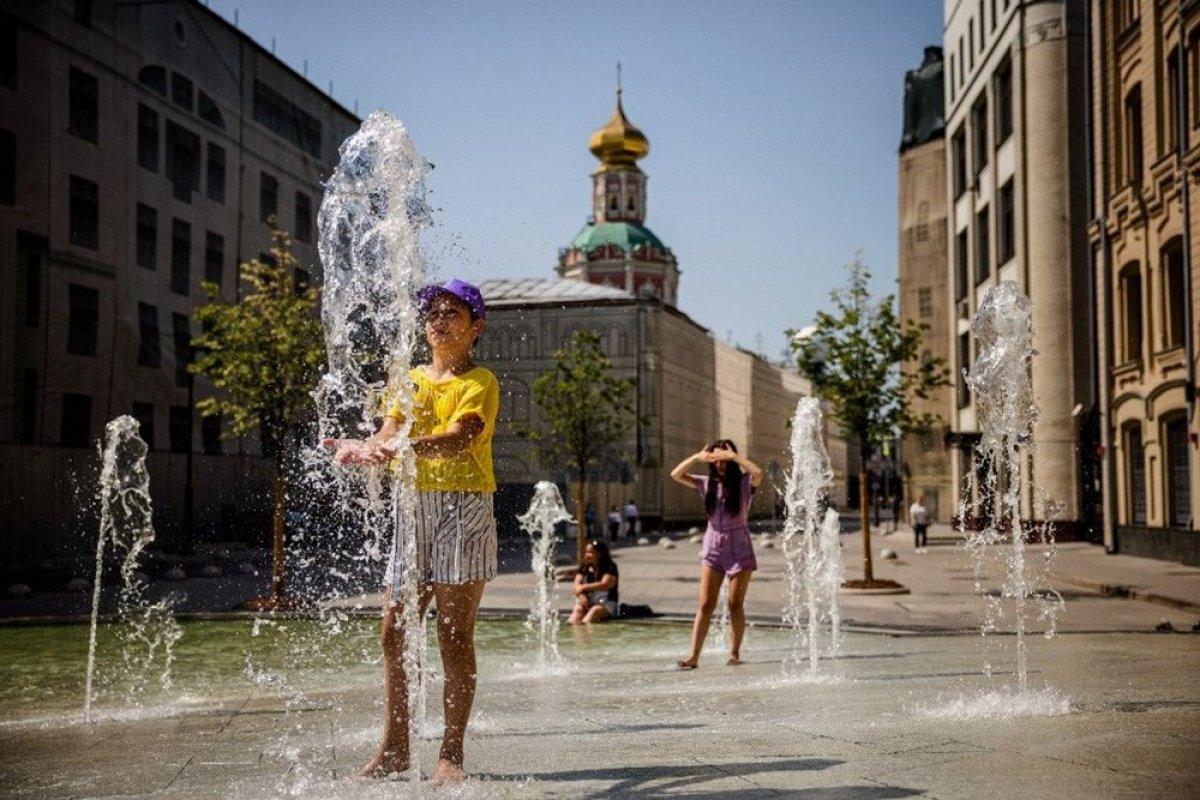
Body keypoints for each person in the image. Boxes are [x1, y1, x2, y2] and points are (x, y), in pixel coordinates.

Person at [323, 278, 499, 785]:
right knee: (394, 631)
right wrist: (368, 447)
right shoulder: (409, 377)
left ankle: (451, 753)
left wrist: (401, 448)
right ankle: (397, 746)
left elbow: (459, 437)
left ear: (475, 327)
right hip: (413, 507)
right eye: (432, 314)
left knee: (452, 633)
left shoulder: (480, 381)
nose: (438, 321)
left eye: (451, 313)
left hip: (463, 507)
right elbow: (390, 429)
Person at [669, 439, 764, 669]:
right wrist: (696, 457)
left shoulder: (743, 483)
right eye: (715, 458)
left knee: (734, 603)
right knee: (705, 604)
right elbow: (675, 475)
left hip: (739, 546)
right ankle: (693, 656)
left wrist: (735, 457)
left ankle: (734, 653)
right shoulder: (706, 484)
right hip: (713, 546)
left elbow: (758, 473)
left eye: (723, 458)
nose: (719, 462)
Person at [569, 539, 619, 624]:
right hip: (588, 601)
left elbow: (606, 584)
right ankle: (573, 632)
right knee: (577, 610)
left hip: (606, 604)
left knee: (594, 611)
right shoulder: (585, 567)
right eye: (586, 552)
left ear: (599, 554)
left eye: (590, 552)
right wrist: (581, 596)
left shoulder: (610, 566)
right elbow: (576, 586)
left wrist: (584, 587)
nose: (587, 555)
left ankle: (585, 630)